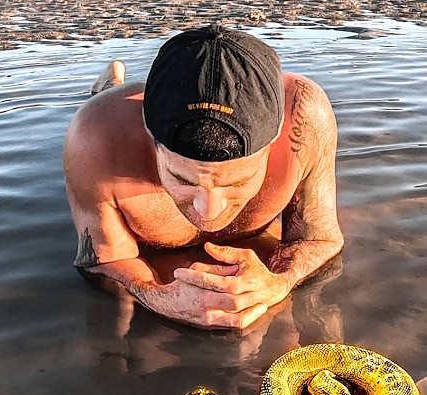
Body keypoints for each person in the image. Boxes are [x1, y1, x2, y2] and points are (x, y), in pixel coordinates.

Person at [63, 25, 344, 330]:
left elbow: (319, 238)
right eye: (183, 180)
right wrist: (159, 297)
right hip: (120, 112)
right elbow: (101, 261)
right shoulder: (96, 135)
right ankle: (112, 84)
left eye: (236, 182)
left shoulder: (304, 120)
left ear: (276, 137)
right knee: (110, 100)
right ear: (150, 137)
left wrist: (279, 282)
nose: (209, 211)